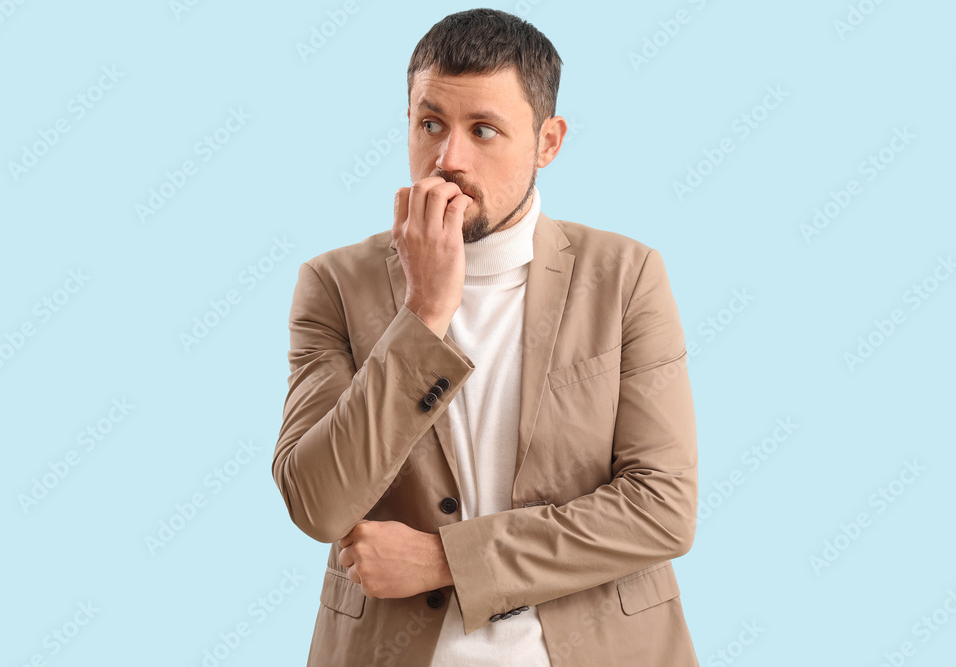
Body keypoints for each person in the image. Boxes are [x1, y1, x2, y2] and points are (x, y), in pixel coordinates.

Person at [272, 8, 699, 666]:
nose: (448, 159)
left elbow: (661, 506)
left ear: (547, 143)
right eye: (431, 123)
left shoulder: (625, 276)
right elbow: (317, 504)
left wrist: (447, 558)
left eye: (485, 130)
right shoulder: (334, 283)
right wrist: (424, 314)